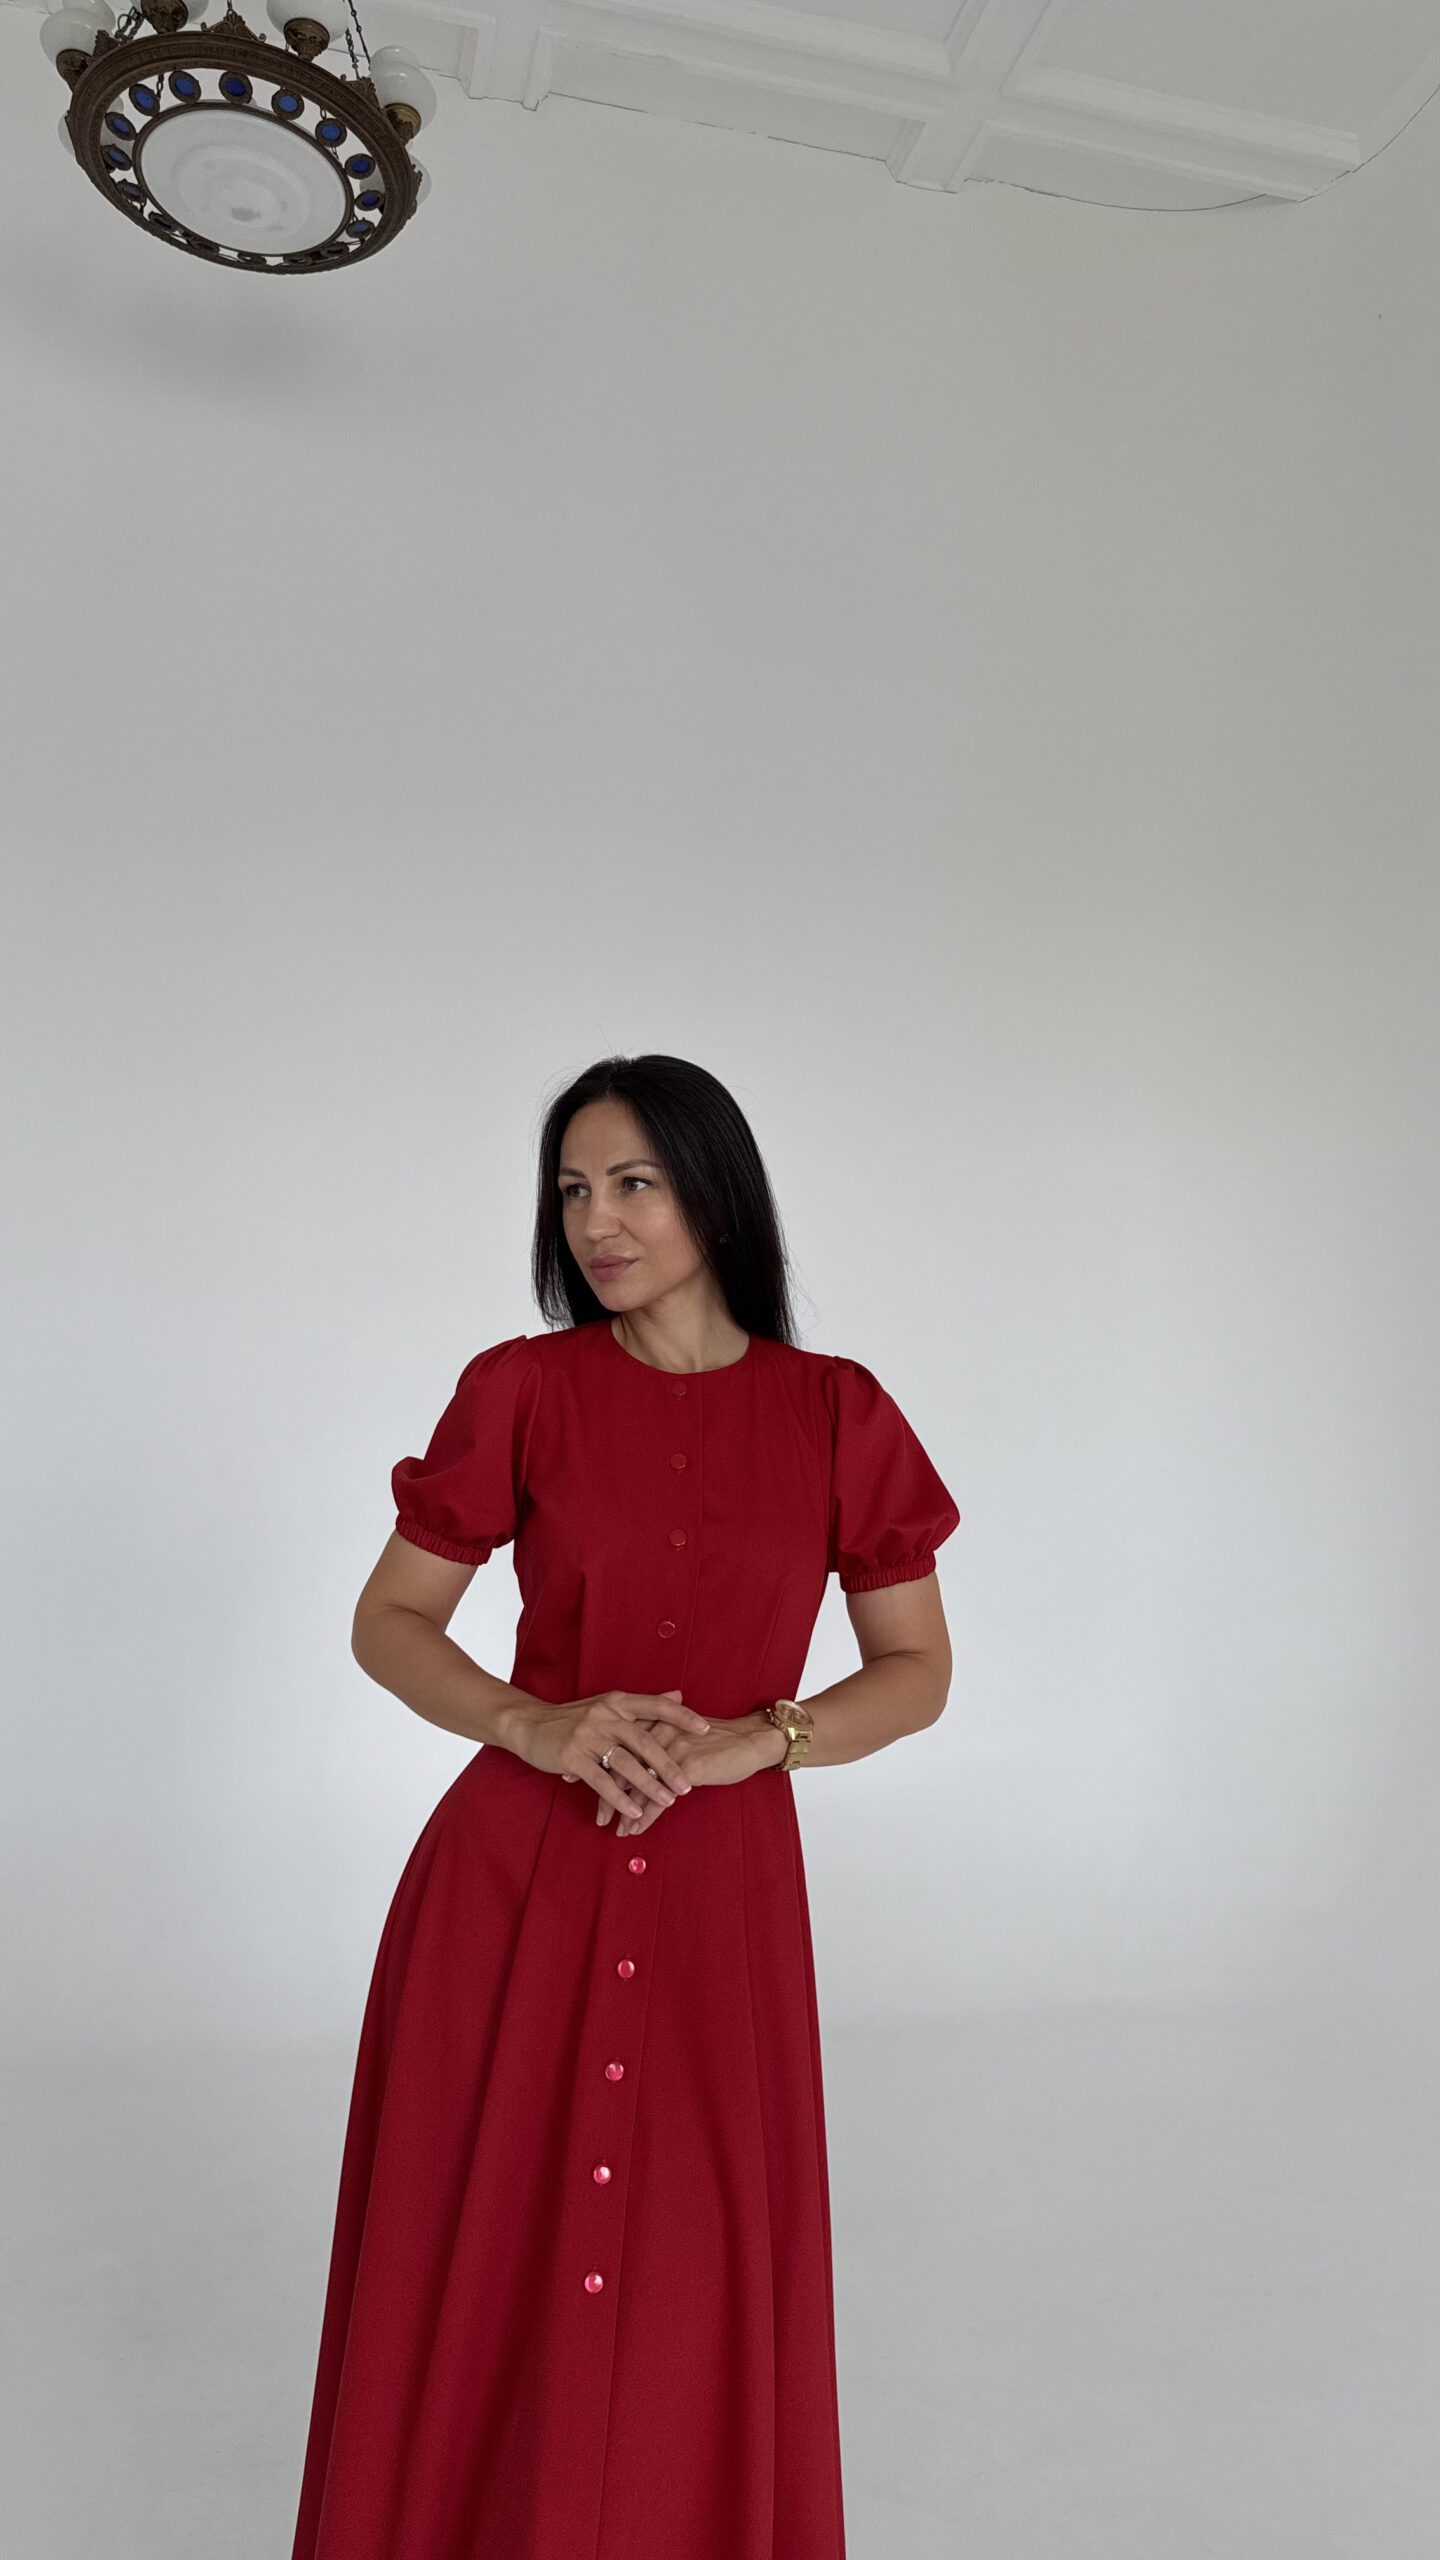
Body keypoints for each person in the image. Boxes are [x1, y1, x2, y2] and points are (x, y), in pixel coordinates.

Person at [289, 1052, 961, 2560]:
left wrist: (757, 1742)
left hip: (724, 1901)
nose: (597, 1222)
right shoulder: (520, 1391)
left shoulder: (838, 1414)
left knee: (693, 2268)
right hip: (512, 1888)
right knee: (484, 2266)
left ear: (716, 1196)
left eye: (635, 1184)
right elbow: (389, 1619)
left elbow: (916, 1669)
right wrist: (531, 1721)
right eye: (575, 1190)